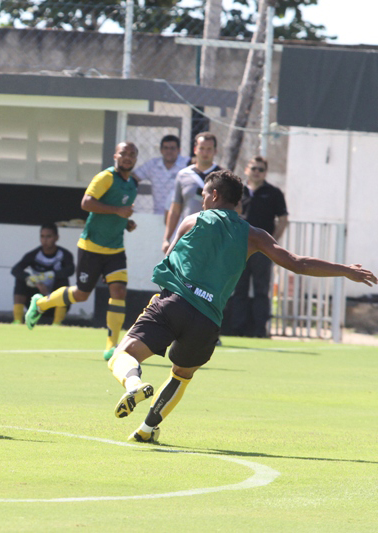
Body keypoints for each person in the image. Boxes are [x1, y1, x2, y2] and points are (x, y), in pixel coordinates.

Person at [106, 169, 375, 444]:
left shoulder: (192, 221)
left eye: (203, 196)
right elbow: (297, 263)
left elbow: (170, 255)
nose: (202, 202)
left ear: (213, 195)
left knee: (123, 355)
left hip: (174, 302)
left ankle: (134, 385)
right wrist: (344, 270)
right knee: (182, 375)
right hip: (208, 320)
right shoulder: (254, 235)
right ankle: (147, 429)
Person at [25, 142, 138, 362]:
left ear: (135, 159)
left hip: (115, 248)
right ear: (115, 155)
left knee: (119, 292)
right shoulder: (106, 177)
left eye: (132, 155)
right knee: (81, 294)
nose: (127, 157)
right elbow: (86, 203)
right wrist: (117, 210)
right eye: (123, 153)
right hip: (91, 247)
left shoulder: (132, 185)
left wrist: (126, 222)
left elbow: (116, 213)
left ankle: (112, 345)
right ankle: (40, 303)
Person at [227, 156, 289, 337]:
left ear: (265, 172)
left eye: (261, 169)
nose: (257, 172)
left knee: (262, 289)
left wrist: (272, 244)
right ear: (247, 169)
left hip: (262, 248)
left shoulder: (273, 193)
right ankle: (238, 329)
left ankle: (260, 329)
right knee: (239, 288)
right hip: (240, 248)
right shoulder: (237, 191)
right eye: (254, 168)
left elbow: (283, 220)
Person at [162, 132, 221, 254]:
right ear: (195, 149)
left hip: (215, 238)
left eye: (209, 149)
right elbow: (175, 209)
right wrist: (166, 238)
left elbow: (235, 208)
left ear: (215, 151)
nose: (205, 153)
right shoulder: (183, 175)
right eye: (202, 148)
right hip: (189, 236)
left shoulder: (223, 176)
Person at [11, 223, 75, 326]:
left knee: (64, 283)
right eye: (42, 236)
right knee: (20, 281)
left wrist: (51, 275)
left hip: (55, 301)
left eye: (49, 236)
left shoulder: (65, 255)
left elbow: (70, 270)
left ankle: (57, 323)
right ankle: (17, 321)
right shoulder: (33, 254)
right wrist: (30, 279)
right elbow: (15, 270)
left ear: (56, 238)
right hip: (36, 302)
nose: (45, 240)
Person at [133, 135, 191, 218]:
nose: (169, 151)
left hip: (181, 216)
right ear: (161, 150)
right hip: (158, 215)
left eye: (172, 148)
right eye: (166, 148)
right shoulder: (153, 164)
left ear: (179, 150)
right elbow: (134, 178)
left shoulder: (187, 163)